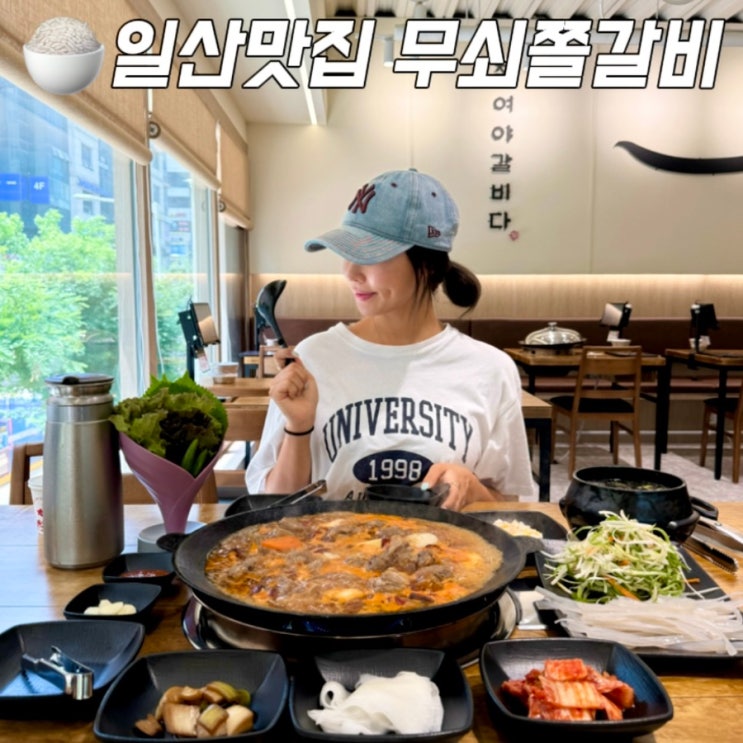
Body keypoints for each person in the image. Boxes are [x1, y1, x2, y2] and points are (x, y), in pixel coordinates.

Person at [246, 168, 535, 509]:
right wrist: (298, 426)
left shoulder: (490, 369)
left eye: (370, 254)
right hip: (329, 545)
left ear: (427, 264)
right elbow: (272, 511)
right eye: (346, 253)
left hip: (448, 544)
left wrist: (471, 487)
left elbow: (510, 507)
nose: (350, 272)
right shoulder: (312, 358)